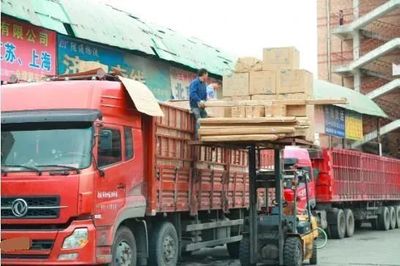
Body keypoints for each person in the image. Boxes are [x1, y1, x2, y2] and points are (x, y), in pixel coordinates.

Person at [189, 68, 208, 139]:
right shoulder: (195, 82)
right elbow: (192, 94)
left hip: (201, 106)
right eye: (206, 75)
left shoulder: (204, 84)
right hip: (194, 106)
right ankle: (198, 137)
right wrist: (199, 101)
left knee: (206, 117)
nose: (207, 76)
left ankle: (206, 136)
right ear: (203, 74)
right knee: (199, 119)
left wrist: (204, 102)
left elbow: (205, 95)